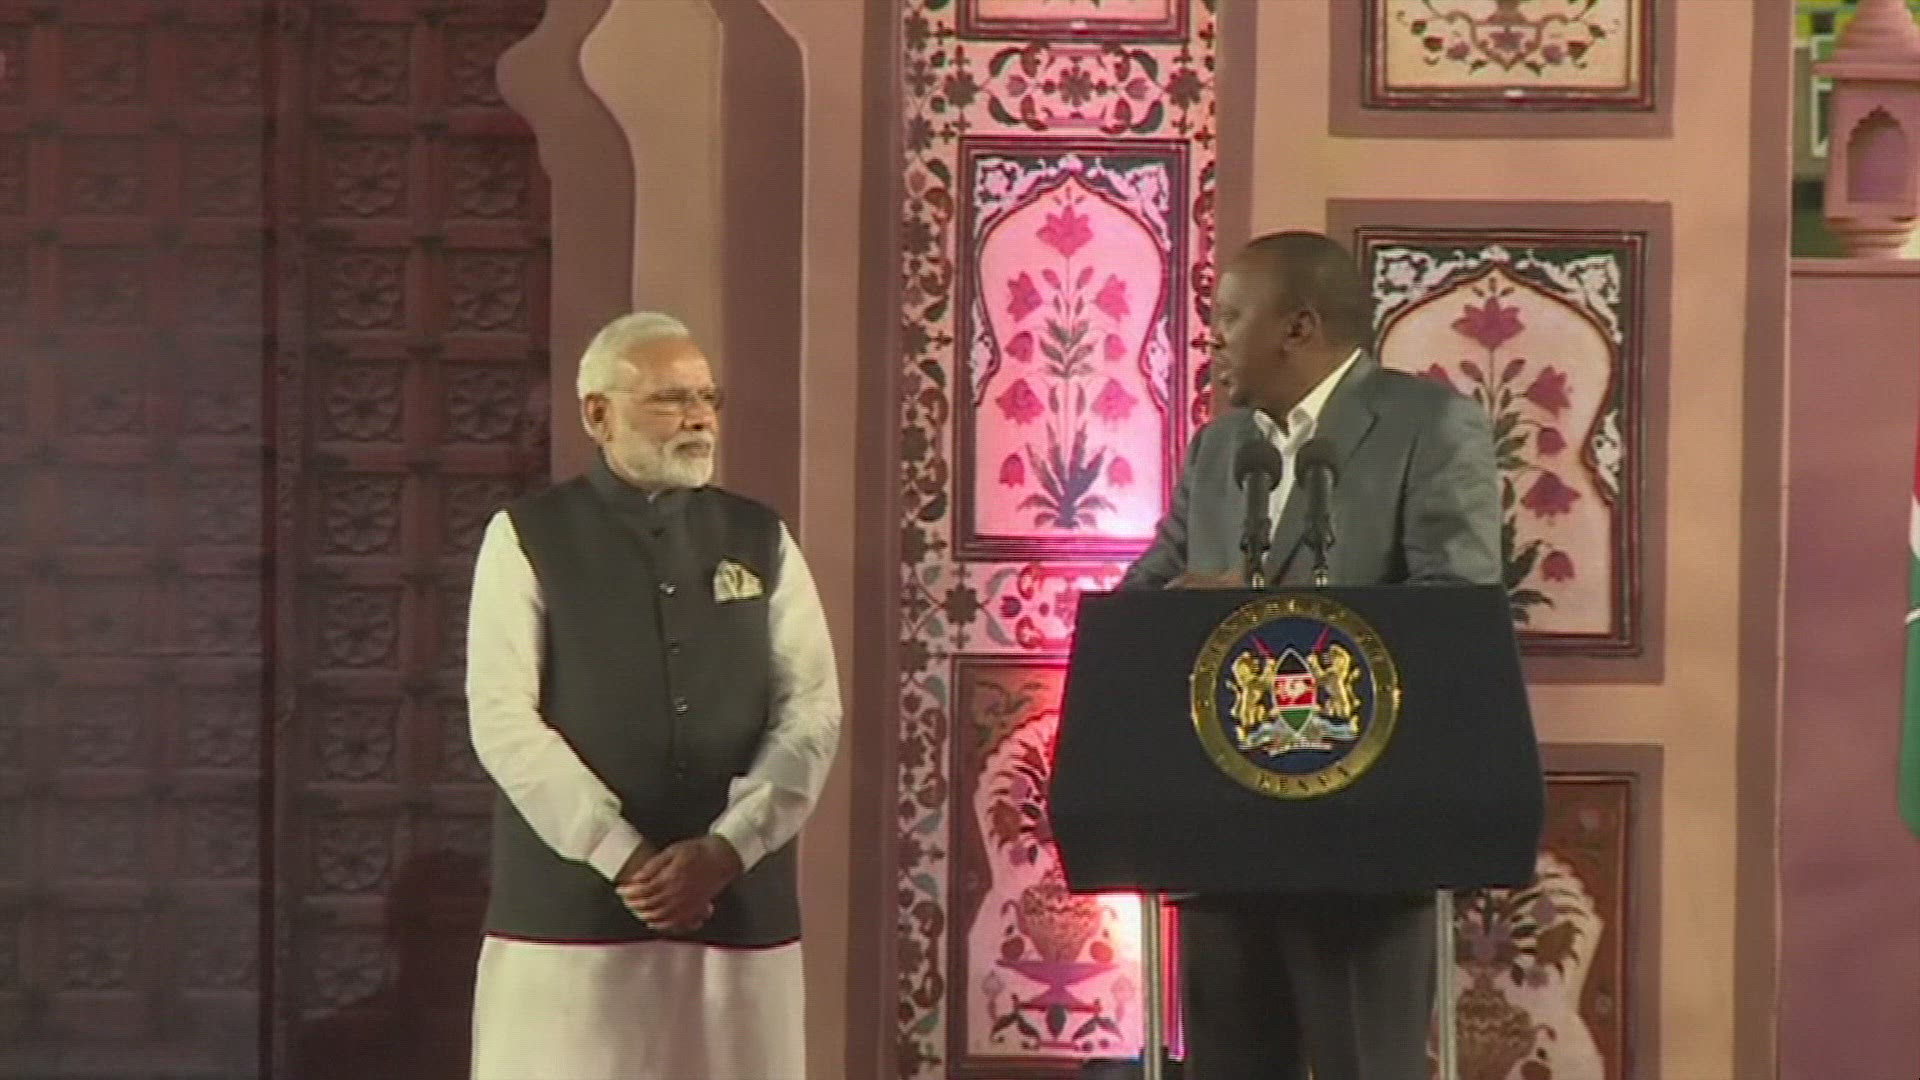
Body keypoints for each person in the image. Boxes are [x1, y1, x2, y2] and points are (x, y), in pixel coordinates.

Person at [1121, 232, 1501, 1080]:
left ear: (1297, 326)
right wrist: (1177, 611)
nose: (1212, 337)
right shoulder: (1221, 449)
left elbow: (1456, 615)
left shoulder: (1429, 427)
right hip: (1220, 836)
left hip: (1364, 842)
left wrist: (1266, 616)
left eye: (1229, 316)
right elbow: (1141, 604)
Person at [464, 311, 842, 1080]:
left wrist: (728, 849)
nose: (699, 417)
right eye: (671, 399)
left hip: (736, 912)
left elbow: (811, 712)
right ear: (598, 414)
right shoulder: (527, 536)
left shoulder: (760, 535)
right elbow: (503, 719)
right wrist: (624, 856)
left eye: (707, 397)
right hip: (571, 925)